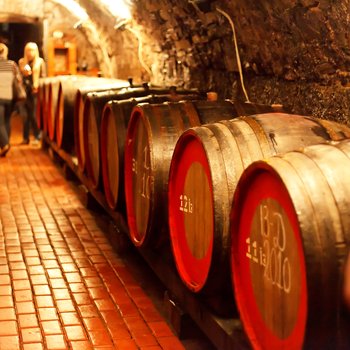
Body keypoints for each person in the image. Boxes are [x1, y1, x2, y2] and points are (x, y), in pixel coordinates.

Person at [18, 42, 46, 145]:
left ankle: (37, 136)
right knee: (25, 116)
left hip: (35, 92)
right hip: (24, 92)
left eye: (32, 50)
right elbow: (19, 78)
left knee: (34, 115)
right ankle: (25, 138)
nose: (30, 53)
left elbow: (44, 77)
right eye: (28, 50)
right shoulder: (22, 62)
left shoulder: (40, 62)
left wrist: (36, 84)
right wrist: (24, 75)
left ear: (36, 51)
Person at [0, 43, 23, 157]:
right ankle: (6, 143)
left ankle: (5, 144)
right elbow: (19, 80)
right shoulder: (12, 64)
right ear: (6, 53)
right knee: (6, 120)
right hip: (9, 97)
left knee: (0, 122)